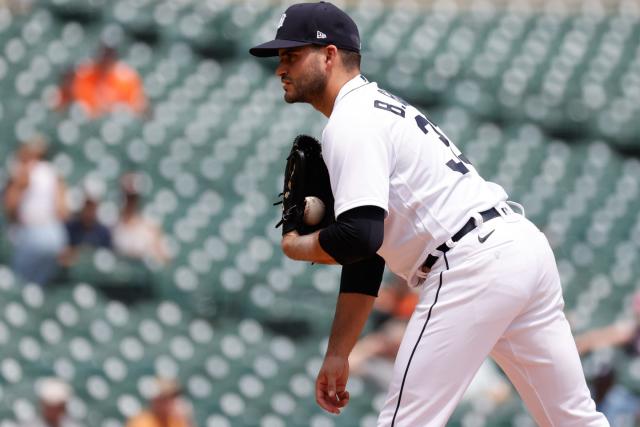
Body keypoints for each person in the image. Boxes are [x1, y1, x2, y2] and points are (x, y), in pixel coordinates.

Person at [249, 3, 609, 426]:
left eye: (291, 55)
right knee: (574, 420)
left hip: (470, 263)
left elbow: (360, 238)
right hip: (518, 246)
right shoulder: (377, 107)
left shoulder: (351, 123)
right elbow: (370, 252)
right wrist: (338, 352)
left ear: (328, 56)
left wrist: (296, 246)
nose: (280, 68)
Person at [3, 138, 68, 284]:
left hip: (33, 233)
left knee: (20, 283)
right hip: (54, 235)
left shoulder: (26, 171)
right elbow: (63, 211)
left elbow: (10, 207)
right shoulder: (52, 172)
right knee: (40, 285)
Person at [57, 44, 147, 117]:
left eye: (109, 57)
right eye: (104, 56)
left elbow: (137, 109)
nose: (106, 61)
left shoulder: (127, 78)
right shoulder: (84, 73)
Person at [112, 173, 169, 265]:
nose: (130, 201)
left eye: (133, 198)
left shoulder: (151, 226)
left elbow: (164, 259)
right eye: (127, 197)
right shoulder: (110, 223)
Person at [59, 186, 112, 267]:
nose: (89, 210)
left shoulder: (104, 232)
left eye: (92, 206)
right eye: (88, 205)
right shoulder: (70, 228)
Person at [126, 378, 194, 427]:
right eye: (166, 398)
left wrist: (188, 420)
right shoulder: (141, 422)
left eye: (174, 397)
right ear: (155, 400)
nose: (171, 402)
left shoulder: (177, 420)